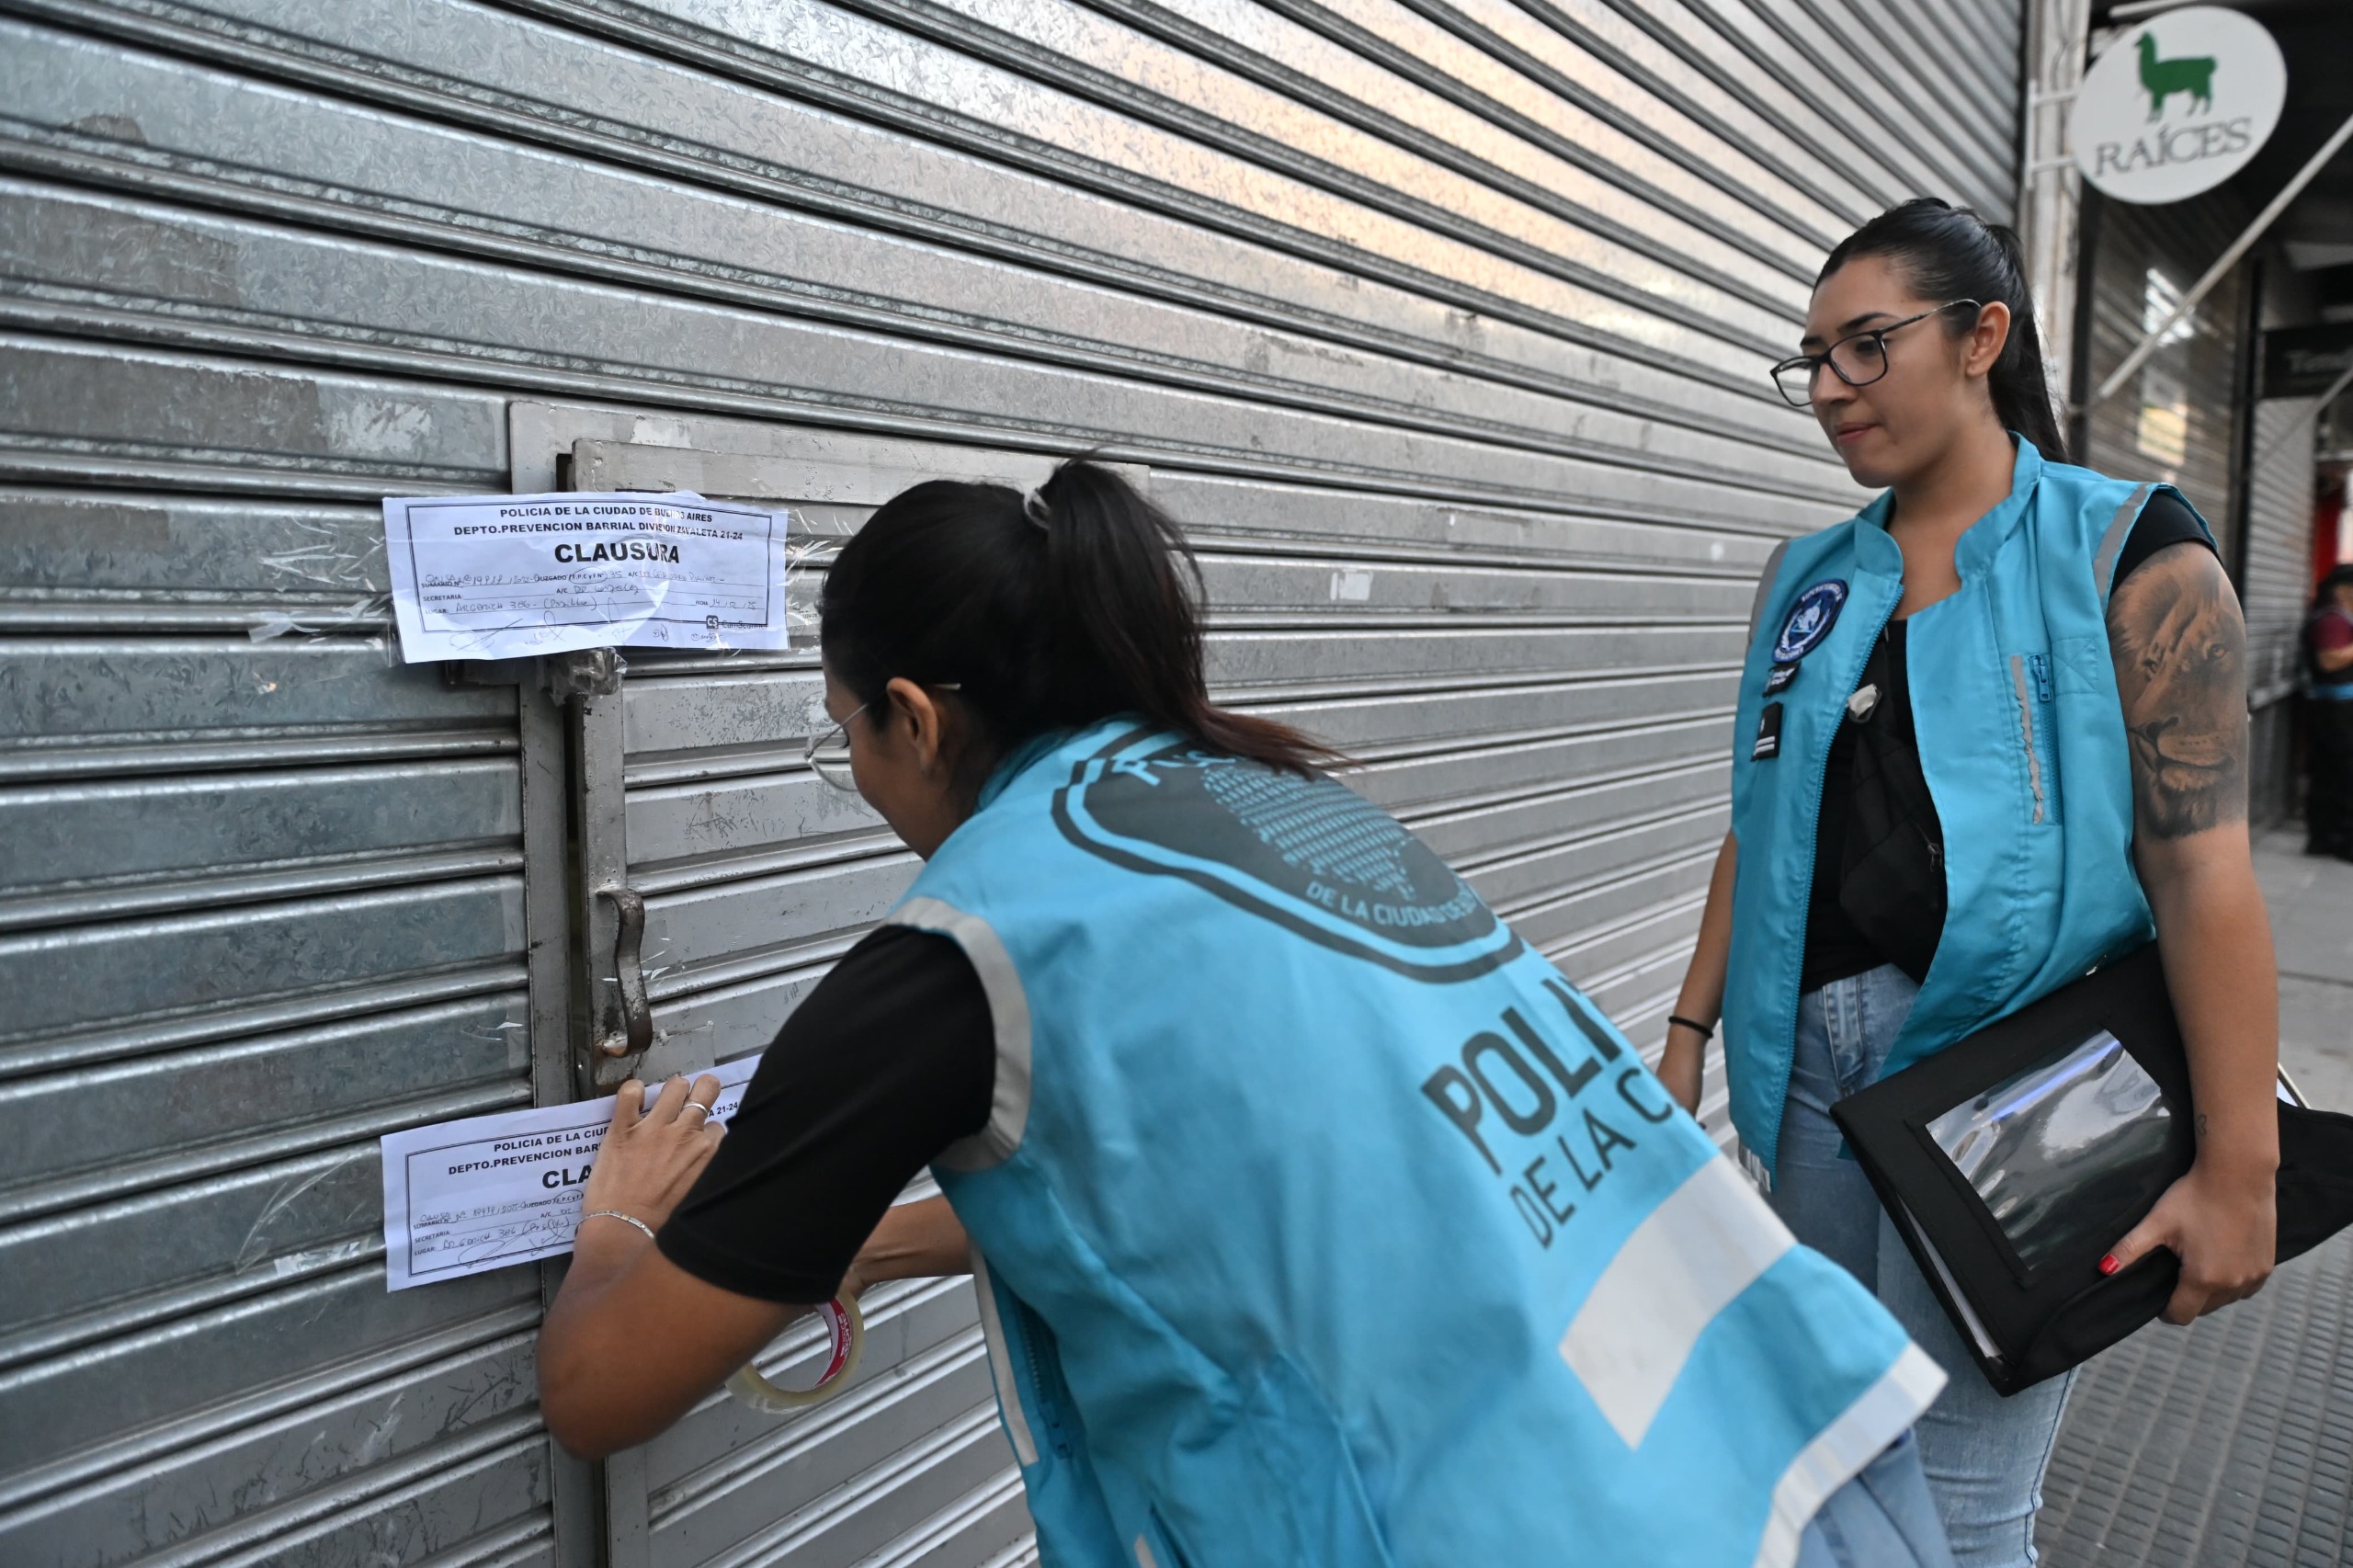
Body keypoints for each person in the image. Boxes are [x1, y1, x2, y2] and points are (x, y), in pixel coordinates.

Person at [539, 460, 1960, 1566]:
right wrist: (873, 1241)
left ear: (911, 716)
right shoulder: (1267, 812)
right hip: (1753, 1461)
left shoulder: (956, 957)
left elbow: (600, 1391)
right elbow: (1240, 1164)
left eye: (841, 729)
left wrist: (622, 1218)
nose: (852, 763)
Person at [1659, 199, 2280, 1568]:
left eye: (1865, 346)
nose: (1829, 388)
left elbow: (2203, 870)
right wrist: (1689, 1035)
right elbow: (1758, 826)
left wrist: (2242, 1164)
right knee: (1833, 1466)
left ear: (1982, 335)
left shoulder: (2133, 552)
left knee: (1961, 1505)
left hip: (2022, 1085)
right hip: (1812, 1087)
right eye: (1811, 358)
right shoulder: (1805, 577)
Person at [2304, 564, 2353, 858]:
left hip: (2335, 708)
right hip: (2335, 710)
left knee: (2330, 775)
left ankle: (2325, 838)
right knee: (2342, 776)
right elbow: (2329, 660)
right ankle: (2338, 840)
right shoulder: (2332, 620)